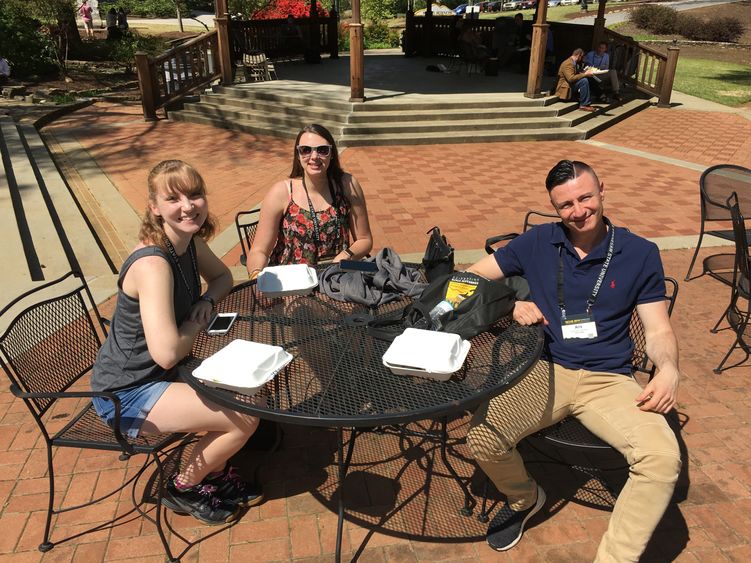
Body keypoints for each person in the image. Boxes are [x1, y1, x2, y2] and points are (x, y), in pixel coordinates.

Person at [465, 159, 681, 559]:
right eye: (566, 205)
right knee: (482, 438)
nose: (579, 211)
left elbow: (659, 331)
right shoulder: (538, 241)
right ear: (554, 207)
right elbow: (469, 279)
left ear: (602, 192)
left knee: (662, 459)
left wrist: (668, 369)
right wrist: (508, 304)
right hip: (546, 369)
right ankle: (525, 498)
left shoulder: (640, 253)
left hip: (610, 378)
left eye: (586, 197)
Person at [91, 160, 263, 525]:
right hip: (126, 393)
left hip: (162, 376)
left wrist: (205, 302)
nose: (188, 206)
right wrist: (194, 326)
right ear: (154, 207)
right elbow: (168, 351)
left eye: (195, 194)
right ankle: (183, 487)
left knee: (254, 385)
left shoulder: (187, 242)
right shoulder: (153, 264)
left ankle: (213, 471)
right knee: (246, 414)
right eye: (173, 198)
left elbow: (222, 277)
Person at [246, 124, 373, 279]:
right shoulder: (282, 192)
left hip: (336, 278)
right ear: (298, 155)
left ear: (331, 154)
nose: (314, 156)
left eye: (322, 150)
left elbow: (364, 239)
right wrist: (256, 275)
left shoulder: (347, 185)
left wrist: (346, 256)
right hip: (292, 285)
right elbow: (259, 250)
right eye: (306, 150)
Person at [555, 48, 596, 112]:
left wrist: (584, 72)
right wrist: (585, 74)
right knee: (584, 81)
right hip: (565, 87)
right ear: (578, 55)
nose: (582, 59)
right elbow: (571, 78)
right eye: (582, 57)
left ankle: (587, 101)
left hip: (570, 84)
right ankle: (584, 105)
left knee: (590, 79)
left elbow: (575, 73)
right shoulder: (568, 63)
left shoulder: (573, 62)